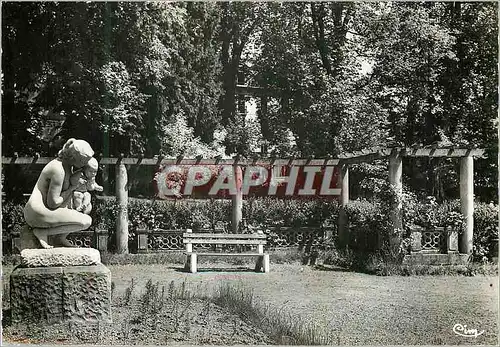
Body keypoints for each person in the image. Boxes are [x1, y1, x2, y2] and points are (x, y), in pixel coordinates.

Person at [23, 138, 95, 248]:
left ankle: (59, 238)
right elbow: (53, 203)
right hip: (37, 212)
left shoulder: (67, 166)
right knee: (86, 221)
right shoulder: (58, 170)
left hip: (45, 210)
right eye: (84, 161)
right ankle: (44, 233)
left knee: (82, 217)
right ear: (75, 159)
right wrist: (72, 188)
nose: (87, 164)